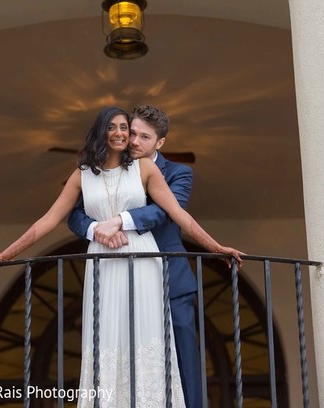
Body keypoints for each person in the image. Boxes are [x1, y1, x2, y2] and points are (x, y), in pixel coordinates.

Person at [0, 106, 242, 408]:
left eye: (125, 129)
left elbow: (177, 214)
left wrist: (218, 247)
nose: (121, 134)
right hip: (102, 263)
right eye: (114, 128)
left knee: (148, 342)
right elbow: (48, 221)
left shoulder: (146, 170)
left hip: (144, 263)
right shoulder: (81, 175)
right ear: (101, 132)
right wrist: (4, 255)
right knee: (105, 339)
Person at [68, 104, 243, 408]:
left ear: (159, 143)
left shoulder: (178, 172)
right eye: (131, 132)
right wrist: (96, 228)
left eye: (143, 137)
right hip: (119, 277)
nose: (133, 141)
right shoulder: (102, 170)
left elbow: (165, 210)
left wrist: (121, 219)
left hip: (169, 276)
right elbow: (74, 214)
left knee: (183, 355)